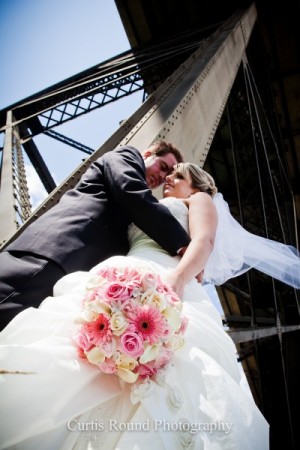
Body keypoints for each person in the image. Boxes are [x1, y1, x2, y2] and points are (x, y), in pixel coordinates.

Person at [1, 162, 299, 449]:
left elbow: (204, 241)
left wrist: (178, 280)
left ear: (196, 183)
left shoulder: (200, 200)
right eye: (169, 173)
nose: (168, 178)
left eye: (178, 175)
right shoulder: (153, 208)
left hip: (165, 278)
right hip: (123, 273)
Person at [0, 141, 191, 330]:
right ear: (148, 154)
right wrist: (183, 244)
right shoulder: (127, 156)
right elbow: (131, 192)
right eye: (163, 166)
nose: (162, 176)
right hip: (56, 252)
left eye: (167, 174)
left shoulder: (143, 202)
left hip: (74, 276)